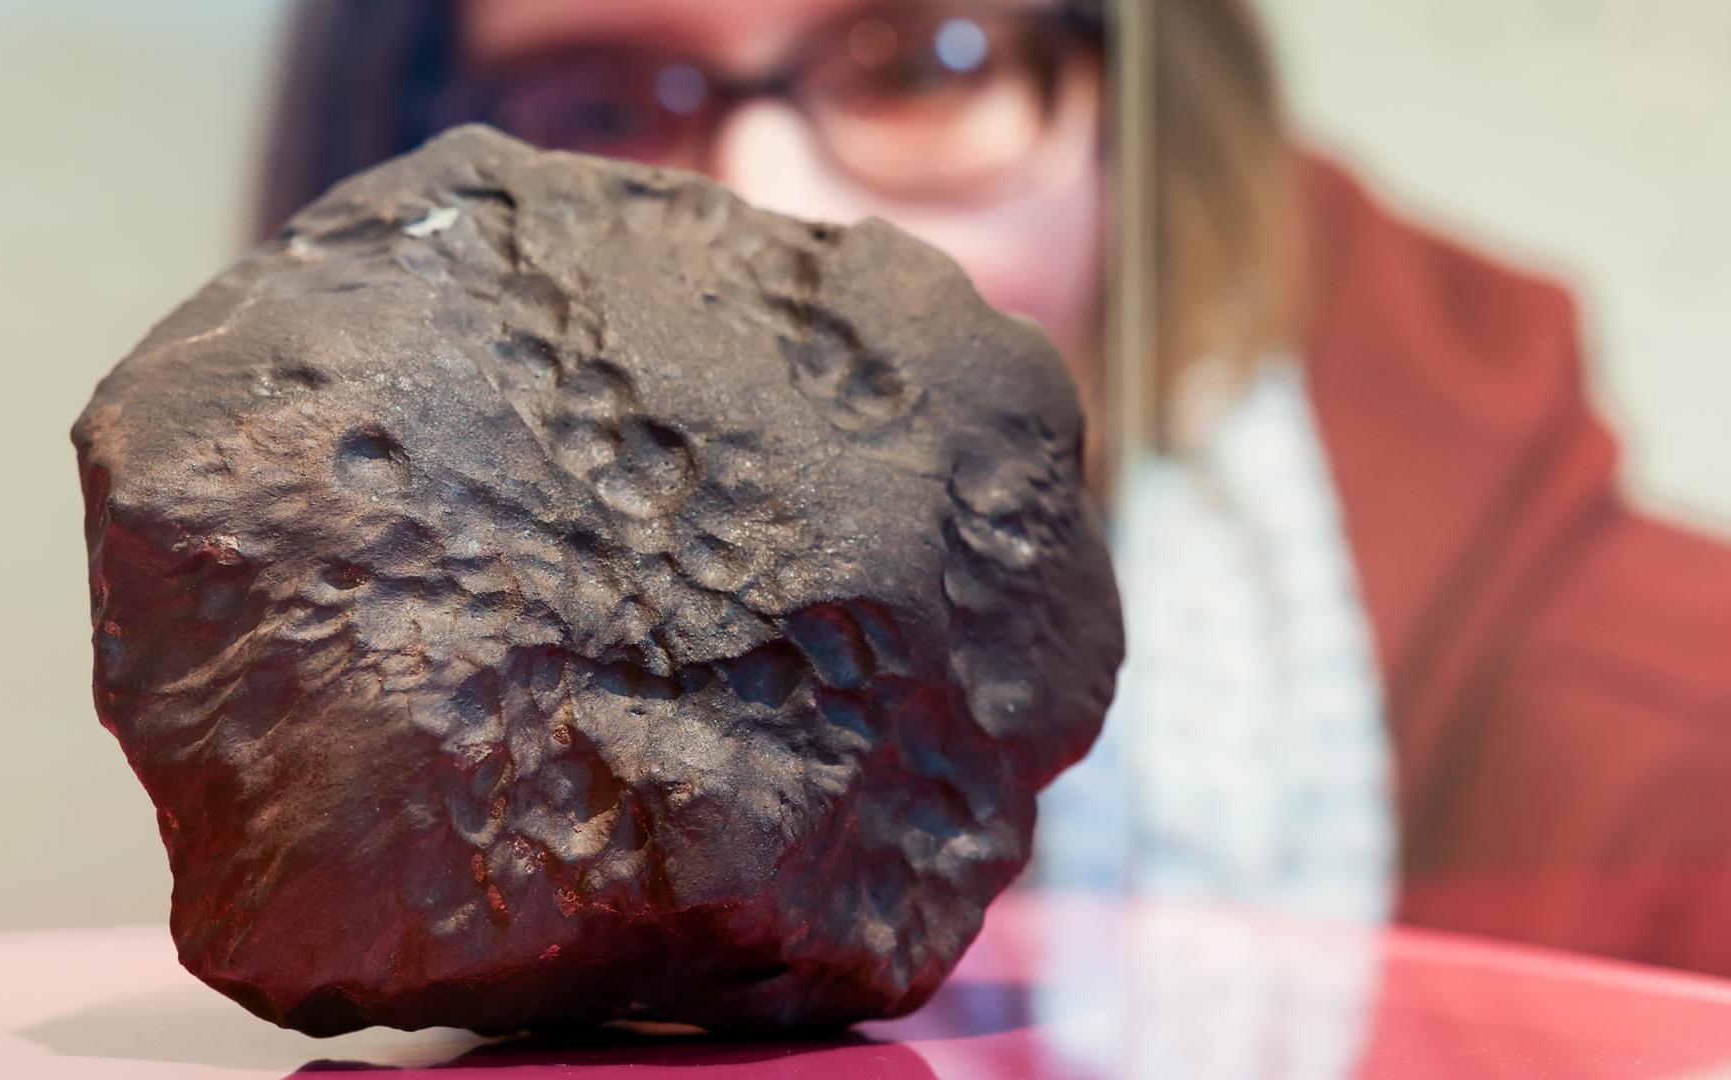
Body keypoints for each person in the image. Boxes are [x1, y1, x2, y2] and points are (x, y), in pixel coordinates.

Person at [256, 0, 1731, 977]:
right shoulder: (365, 726)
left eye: (921, 60)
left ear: (1136, 110)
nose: (770, 213)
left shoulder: (1669, 765)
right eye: (598, 101)